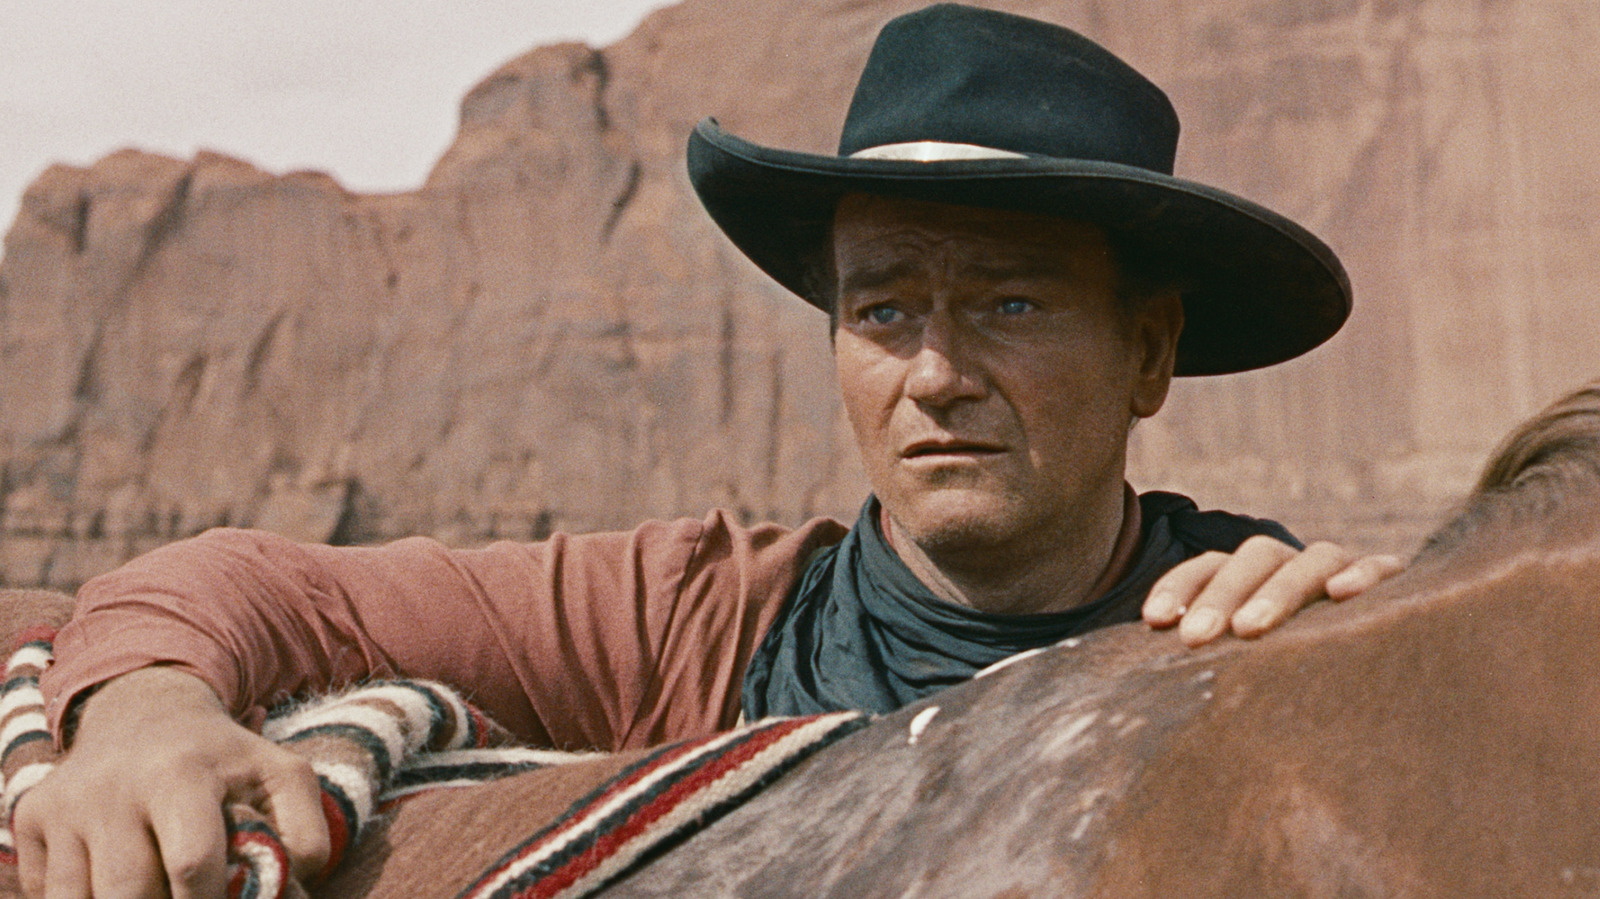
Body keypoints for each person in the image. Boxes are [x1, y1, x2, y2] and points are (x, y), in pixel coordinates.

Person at [14, 5, 1402, 898]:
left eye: (1011, 305)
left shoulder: (1266, 625)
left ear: (1148, 354)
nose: (935, 373)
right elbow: (254, 588)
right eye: (885, 310)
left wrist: (1386, 642)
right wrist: (144, 719)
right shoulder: (703, 618)